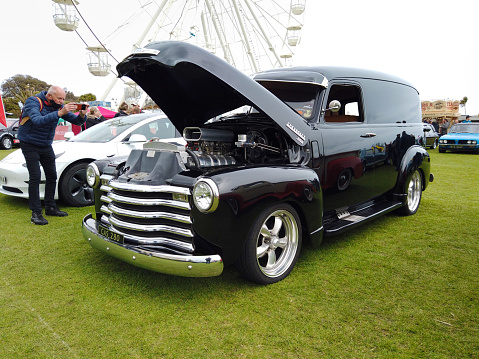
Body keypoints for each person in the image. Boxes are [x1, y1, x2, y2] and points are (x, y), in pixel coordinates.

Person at [18, 86, 88, 225]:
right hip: (29, 144)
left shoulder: (59, 107)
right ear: (50, 96)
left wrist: (82, 114)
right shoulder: (33, 101)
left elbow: (78, 122)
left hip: (46, 145)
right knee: (35, 177)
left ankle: (50, 207)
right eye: (59, 98)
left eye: (63, 99)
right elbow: (38, 120)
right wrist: (61, 112)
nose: (62, 101)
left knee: (52, 175)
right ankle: (36, 213)